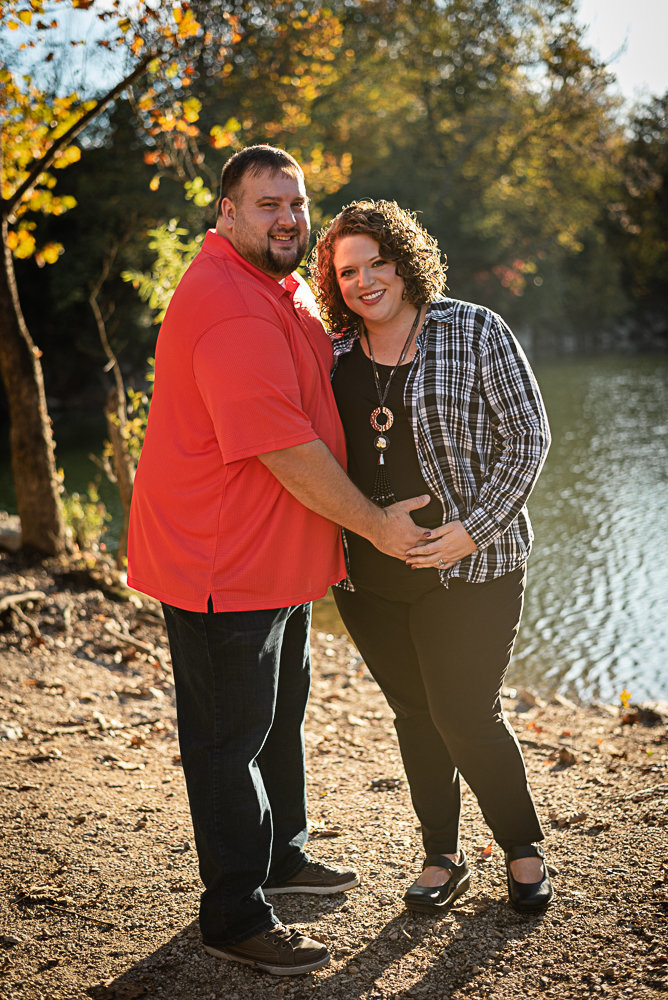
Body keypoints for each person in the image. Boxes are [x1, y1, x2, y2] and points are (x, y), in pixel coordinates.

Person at [127, 149, 430, 976]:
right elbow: (286, 450)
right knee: (229, 741)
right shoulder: (228, 304)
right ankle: (234, 911)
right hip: (219, 563)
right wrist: (373, 525)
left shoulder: (279, 285)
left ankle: (282, 856)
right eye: (267, 204)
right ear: (227, 213)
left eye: (295, 203)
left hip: (276, 561)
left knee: (277, 716)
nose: (287, 218)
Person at [310, 199, 554, 915]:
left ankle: (520, 846)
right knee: (415, 714)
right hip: (370, 576)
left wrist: (473, 528)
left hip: (471, 568)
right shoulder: (331, 352)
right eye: (348, 270)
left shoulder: (473, 330)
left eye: (377, 262)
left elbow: (529, 439)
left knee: (465, 712)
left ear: (405, 260)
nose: (365, 280)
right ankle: (442, 856)